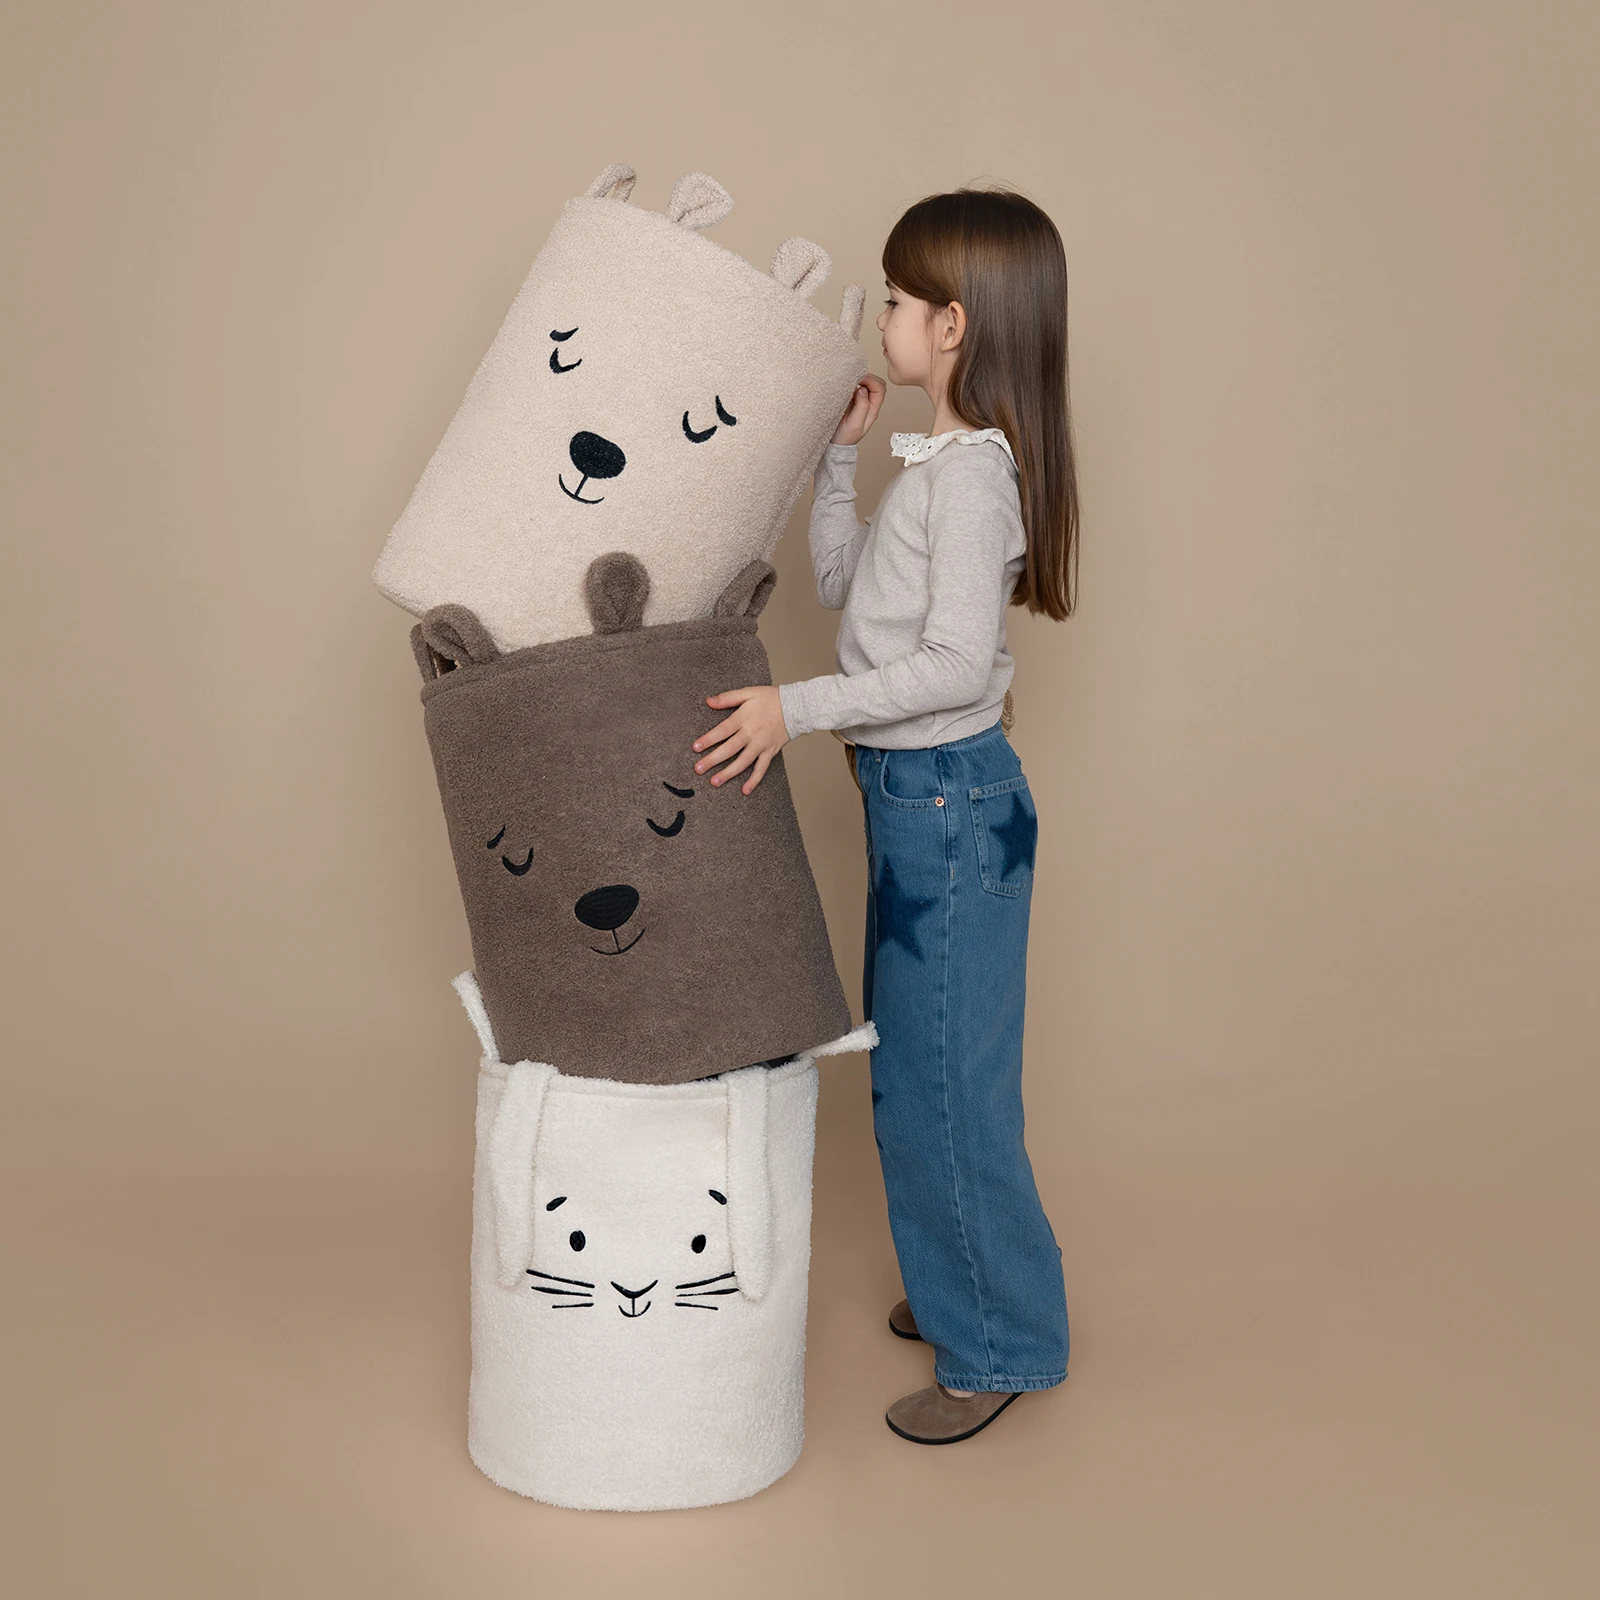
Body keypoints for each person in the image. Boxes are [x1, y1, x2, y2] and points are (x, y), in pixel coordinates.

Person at [691, 185, 1079, 1444]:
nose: (887, 316)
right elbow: (848, 587)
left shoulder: (968, 483)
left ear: (953, 325)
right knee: (923, 1071)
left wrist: (791, 710)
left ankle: (997, 1342)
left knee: (940, 1088)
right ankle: (972, 1283)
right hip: (920, 804)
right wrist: (836, 460)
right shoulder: (937, 464)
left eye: (901, 299)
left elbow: (954, 668)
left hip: (949, 806)